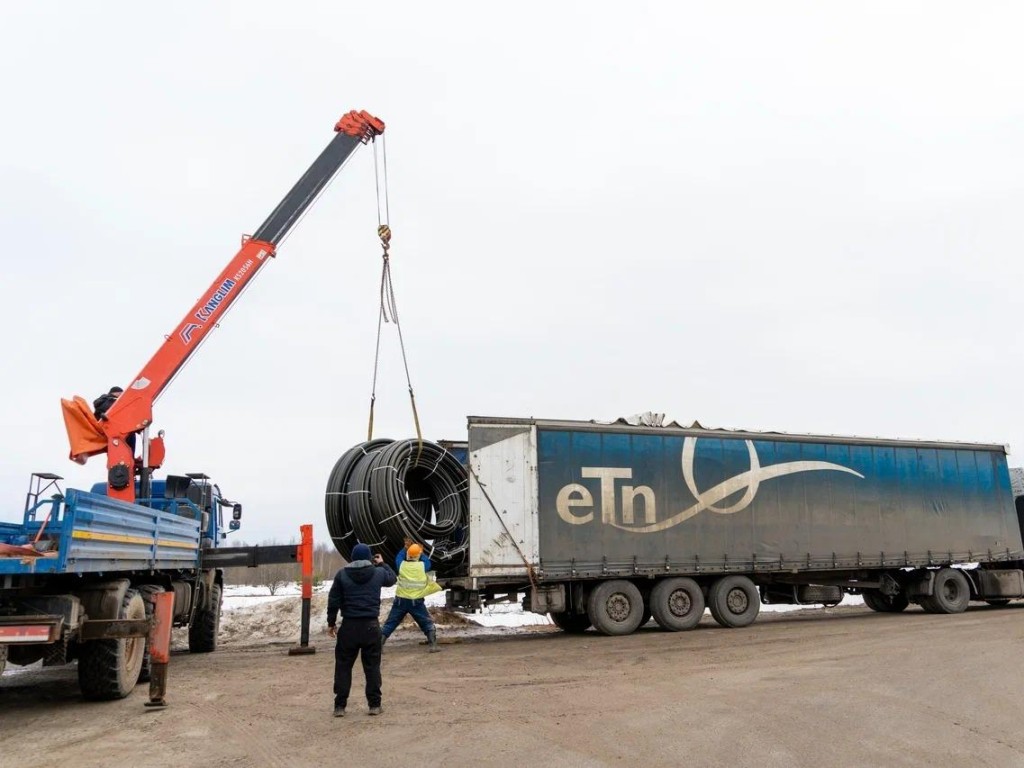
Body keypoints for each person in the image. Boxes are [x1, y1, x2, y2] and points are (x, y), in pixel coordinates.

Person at [326, 542, 396, 718]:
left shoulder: (342, 575)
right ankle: (374, 705)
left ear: (352, 558)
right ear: (370, 557)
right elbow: (392, 578)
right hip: (371, 627)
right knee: (372, 667)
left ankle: (340, 706)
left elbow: (333, 600)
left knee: (343, 667)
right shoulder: (378, 573)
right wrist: (382, 563)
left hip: (348, 627)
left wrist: (331, 623)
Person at [381, 542, 441, 653]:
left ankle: (379, 646)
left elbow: (398, 557)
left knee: (391, 623)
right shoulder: (423, 566)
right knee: (426, 622)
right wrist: (421, 552)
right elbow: (427, 561)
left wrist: (405, 548)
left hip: (401, 600)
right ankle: (433, 645)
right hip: (416, 602)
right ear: (419, 555)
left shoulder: (402, 565)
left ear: (408, 555)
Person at [92, 386, 136, 454]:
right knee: (130, 434)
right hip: (107, 427)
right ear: (117, 393)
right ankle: (130, 457)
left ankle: (128, 457)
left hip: (107, 428)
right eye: (121, 394)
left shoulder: (104, 401)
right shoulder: (110, 400)